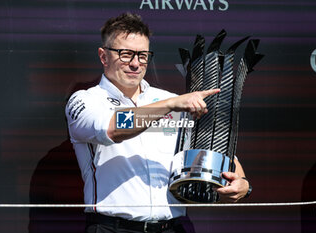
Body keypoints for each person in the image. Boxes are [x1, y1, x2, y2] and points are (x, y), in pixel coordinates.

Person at [65, 12, 251, 233]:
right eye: (125, 54)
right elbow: (114, 128)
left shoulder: (170, 100)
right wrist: (171, 104)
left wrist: (242, 183)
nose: (135, 63)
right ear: (103, 56)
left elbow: (216, 153)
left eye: (143, 55)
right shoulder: (85, 100)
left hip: (172, 227)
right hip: (112, 228)